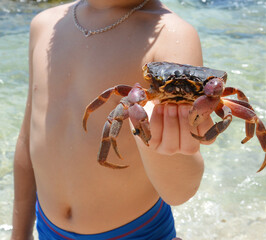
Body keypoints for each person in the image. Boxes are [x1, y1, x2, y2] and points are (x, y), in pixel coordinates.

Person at [11, 0, 214, 239]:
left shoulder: (172, 36)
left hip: (138, 232)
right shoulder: (44, 24)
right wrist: (19, 234)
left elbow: (181, 190)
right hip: (47, 230)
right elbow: (28, 140)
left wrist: (155, 144)